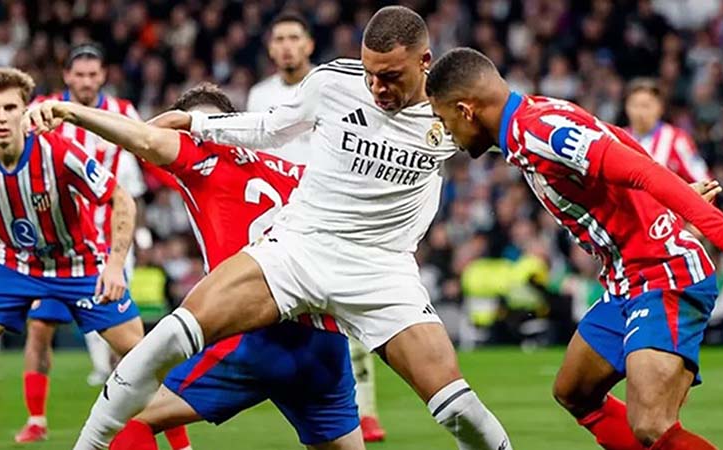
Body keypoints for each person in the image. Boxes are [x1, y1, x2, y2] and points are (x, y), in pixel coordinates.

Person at [60, 7, 513, 450]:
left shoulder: (449, 109)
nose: (376, 88)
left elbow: (520, 138)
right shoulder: (334, 82)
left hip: (382, 269)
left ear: (424, 63)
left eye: (391, 76)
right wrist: (199, 122)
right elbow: (271, 127)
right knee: (169, 336)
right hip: (301, 247)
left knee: (455, 406)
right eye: (370, 73)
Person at [424, 47, 723, 450]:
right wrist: (669, 197)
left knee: (652, 425)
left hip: (664, 273)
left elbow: (639, 169)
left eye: (445, 121)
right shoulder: (532, 115)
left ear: (466, 110)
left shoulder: (540, 134)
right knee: (575, 391)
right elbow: (618, 140)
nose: (449, 136)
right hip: (625, 281)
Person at [28, 83, 364, 450]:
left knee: (129, 419)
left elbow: (142, 138)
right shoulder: (293, 172)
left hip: (253, 327)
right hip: (324, 337)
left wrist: (70, 112)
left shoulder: (201, 157)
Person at [14, 43, 194, 448]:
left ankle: (171, 437)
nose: (86, 81)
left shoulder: (123, 112)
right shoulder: (42, 109)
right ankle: (36, 418)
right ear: (66, 76)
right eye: (79, 74)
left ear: (103, 75)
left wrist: (184, 182)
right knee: (39, 327)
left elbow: (148, 152)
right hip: (54, 249)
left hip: (111, 243)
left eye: (93, 74)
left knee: (131, 350)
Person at [247, 12, 386, 440]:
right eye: (279, 38)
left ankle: (366, 410)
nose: (287, 45)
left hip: (335, 213)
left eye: (294, 37)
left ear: (309, 44)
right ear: (270, 48)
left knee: (349, 314)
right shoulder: (260, 95)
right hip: (282, 220)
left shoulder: (331, 85)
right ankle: (317, 406)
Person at [0, 68, 144, 442]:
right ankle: (36, 420)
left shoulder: (57, 151)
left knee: (143, 356)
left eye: (10, 107)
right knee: (38, 334)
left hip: (78, 264)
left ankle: (182, 444)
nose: (1, 116)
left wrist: (114, 266)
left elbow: (121, 198)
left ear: (25, 110)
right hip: (18, 265)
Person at [624, 78, 710, 183]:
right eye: (635, 105)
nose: (640, 112)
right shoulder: (618, 139)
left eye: (646, 106)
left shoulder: (677, 140)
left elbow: (704, 181)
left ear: (660, 108)